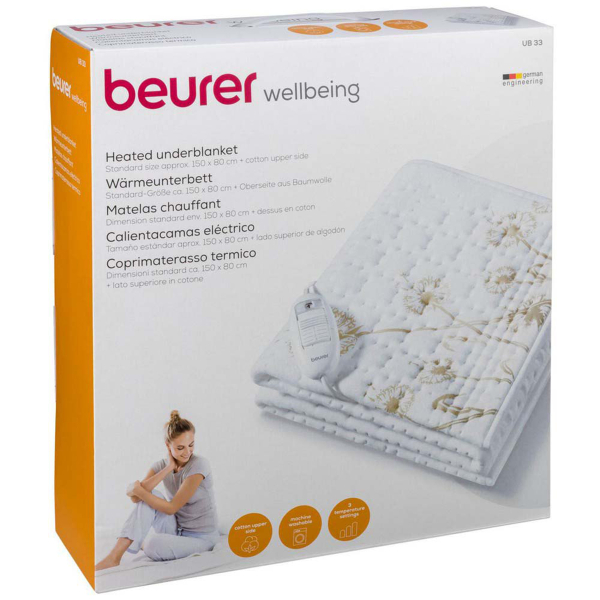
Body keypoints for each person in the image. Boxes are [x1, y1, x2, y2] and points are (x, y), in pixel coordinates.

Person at [95, 410, 219, 570]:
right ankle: (113, 558)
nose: (187, 452)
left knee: (153, 543)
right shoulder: (161, 466)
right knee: (151, 495)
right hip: (176, 529)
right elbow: (135, 498)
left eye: (191, 445)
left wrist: (138, 490)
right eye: (180, 448)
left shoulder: (199, 465)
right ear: (168, 446)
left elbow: (171, 507)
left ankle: (142, 542)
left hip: (202, 538)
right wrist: (168, 468)